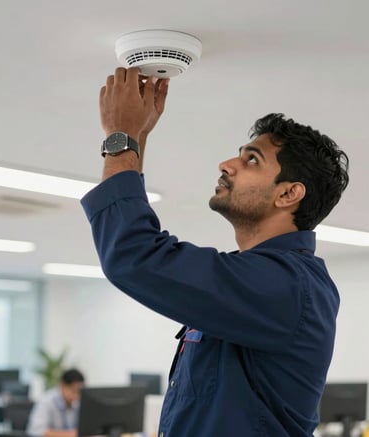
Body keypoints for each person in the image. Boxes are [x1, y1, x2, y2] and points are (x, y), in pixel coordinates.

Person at [81, 67, 349, 436]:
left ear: (288, 193)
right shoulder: (256, 280)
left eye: (252, 159)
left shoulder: (286, 286)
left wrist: (121, 137)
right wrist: (139, 134)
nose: (227, 164)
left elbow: (134, 255)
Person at [26, 369, 85, 437]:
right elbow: (35, 431)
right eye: (74, 391)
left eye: (79, 393)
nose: (77, 396)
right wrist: (70, 434)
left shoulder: (77, 403)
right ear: (62, 385)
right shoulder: (47, 400)